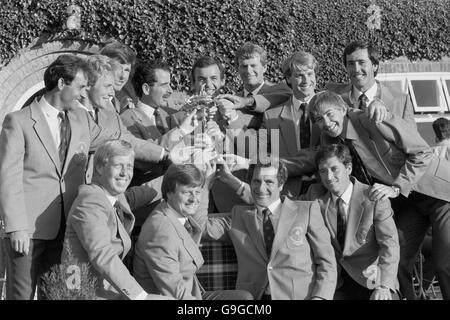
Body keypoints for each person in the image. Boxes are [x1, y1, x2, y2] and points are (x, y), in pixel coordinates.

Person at [309, 90, 450, 300]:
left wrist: (396, 187)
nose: (327, 123)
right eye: (320, 119)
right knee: (397, 261)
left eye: (330, 114)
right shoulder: (329, 140)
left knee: (444, 263)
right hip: (409, 204)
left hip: (439, 194)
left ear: (342, 109)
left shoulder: (372, 118)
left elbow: (422, 151)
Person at [0, 55, 117, 299]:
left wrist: (176, 140)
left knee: (62, 295)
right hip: (29, 233)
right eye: (81, 86)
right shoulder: (18, 122)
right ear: (62, 83)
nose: (84, 93)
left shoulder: (82, 119)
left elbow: (117, 139)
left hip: (69, 233)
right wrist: (17, 228)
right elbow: (8, 178)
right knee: (20, 296)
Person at [203, 160, 337, 300]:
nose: (261, 188)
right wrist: (206, 184)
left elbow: (327, 262)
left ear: (281, 185)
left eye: (269, 182)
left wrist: (320, 297)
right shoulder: (238, 217)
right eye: (256, 181)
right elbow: (201, 226)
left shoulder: (306, 211)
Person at [62, 139, 170, 300]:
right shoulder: (90, 202)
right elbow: (102, 255)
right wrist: (141, 297)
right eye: (118, 166)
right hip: (86, 293)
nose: (125, 173)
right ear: (99, 167)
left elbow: (143, 193)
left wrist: (175, 173)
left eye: (129, 167)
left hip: (110, 290)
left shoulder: (113, 196)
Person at [133, 163, 253, 300]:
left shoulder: (175, 213)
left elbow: (198, 217)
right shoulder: (161, 231)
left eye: (197, 192)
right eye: (186, 192)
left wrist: (209, 181)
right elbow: (175, 292)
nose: (194, 199)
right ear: (169, 193)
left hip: (193, 293)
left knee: (244, 299)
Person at [301, 144, 400, 300]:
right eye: (322, 171)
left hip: (372, 279)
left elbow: (390, 244)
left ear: (348, 168)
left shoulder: (373, 197)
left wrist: (384, 286)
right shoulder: (315, 195)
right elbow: (286, 207)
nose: (328, 176)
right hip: (335, 282)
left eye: (334, 169)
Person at [120, 59, 198, 186]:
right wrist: (180, 131)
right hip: (145, 196)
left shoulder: (168, 115)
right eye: (164, 85)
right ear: (146, 89)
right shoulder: (127, 118)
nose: (170, 90)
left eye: (170, 84)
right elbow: (145, 158)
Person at [326, 40, 416, 127]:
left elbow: (412, 140)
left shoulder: (401, 101)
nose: (356, 69)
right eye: (351, 63)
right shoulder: (332, 95)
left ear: (375, 66)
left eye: (362, 62)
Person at [218, 42, 292, 130]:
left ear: (264, 68)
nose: (248, 71)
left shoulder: (280, 90)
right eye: (244, 66)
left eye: (253, 65)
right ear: (238, 69)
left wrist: (246, 101)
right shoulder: (233, 100)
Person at [99, 40, 137, 113]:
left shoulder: (118, 104)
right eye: (118, 68)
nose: (123, 76)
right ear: (104, 68)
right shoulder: (93, 102)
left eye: (126, 70)